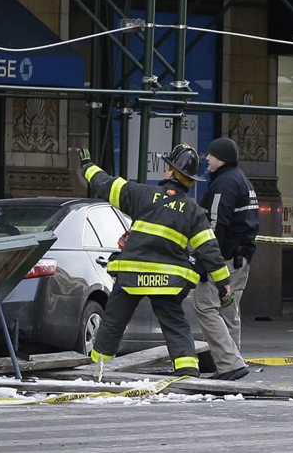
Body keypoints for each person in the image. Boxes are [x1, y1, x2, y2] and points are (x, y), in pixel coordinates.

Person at [80, 145, 231, 379]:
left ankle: (97, 371)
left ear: (171, 172)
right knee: (176, 326)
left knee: (112, 323)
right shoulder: (192, 211)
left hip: (131, 276)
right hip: (168, 282)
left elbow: (106, 184)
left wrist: (87, 166)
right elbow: (209, 250)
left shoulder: (142, 194)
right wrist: (223, 284)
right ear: (190, 180)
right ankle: (188, 373)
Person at [190, 136, 260, 380]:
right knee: (229, 310)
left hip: (223, 259)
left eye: (211, 154)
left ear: (221, 159)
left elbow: (215, 225)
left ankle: (229, 364)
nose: (207, 158)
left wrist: (205, 258)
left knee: (204, 306)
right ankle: (231, 364)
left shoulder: (225, 183)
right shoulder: (241, 179)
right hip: (240, 258)